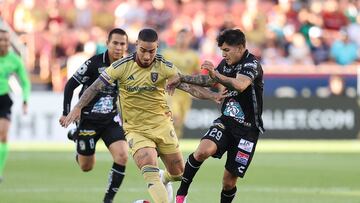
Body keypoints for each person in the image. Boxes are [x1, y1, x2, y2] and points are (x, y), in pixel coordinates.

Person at [63, 28, 225, 203]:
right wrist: (77, 108)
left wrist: (212, 95)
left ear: (157, 47)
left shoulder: (164, 66)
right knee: (149, 168)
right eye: (143, 51)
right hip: (136, 129)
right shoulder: (121, 66)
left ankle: (165, 179)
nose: (147, 56)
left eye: (152, 51)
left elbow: (187, 86)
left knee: (179, 174)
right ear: (136, 45)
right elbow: (94, 87)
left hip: (162, 125)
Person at [167, 29, 265, 203]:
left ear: (241, 47)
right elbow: (209, 81)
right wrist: (181, 78)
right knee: (203, 151)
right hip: (226, 122)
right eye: (222, 50)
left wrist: (217, 74)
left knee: (228, 183)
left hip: (247, 131)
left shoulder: (251, 64)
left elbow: (240, 85)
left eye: (226, 50)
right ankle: (181, 194)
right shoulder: (226, 64)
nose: (223, 54)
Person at [59, 28, 129, 203]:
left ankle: (108, 200)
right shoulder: (93, 64)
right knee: (86, 167)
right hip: (88, 121)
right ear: (107, 44)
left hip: (110, 120)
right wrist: (66, 112)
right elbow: (70, 85)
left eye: (122, 44)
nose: (118, 47)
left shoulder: (127, 67)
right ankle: (78, 140)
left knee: (122, 155)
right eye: (115, 43)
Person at [0, 28, 31, 182]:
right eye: (1, 40)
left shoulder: (14, 60)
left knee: (3, 135)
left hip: (4, 100)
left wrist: (25, 100)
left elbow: (25, 82)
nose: (4, 43)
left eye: (6, 40)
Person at [162, 29, 200, 138]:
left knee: (179, 123)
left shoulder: (193, 56)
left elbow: (197, 75)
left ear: (189, 39)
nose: (183, 39)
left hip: (186, 93)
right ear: (176, 38)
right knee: (174, 117)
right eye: (181, 36)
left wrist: (197, 90)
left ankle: (174, 146)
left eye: (185, 37)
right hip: (170, 92)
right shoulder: (167, 54)